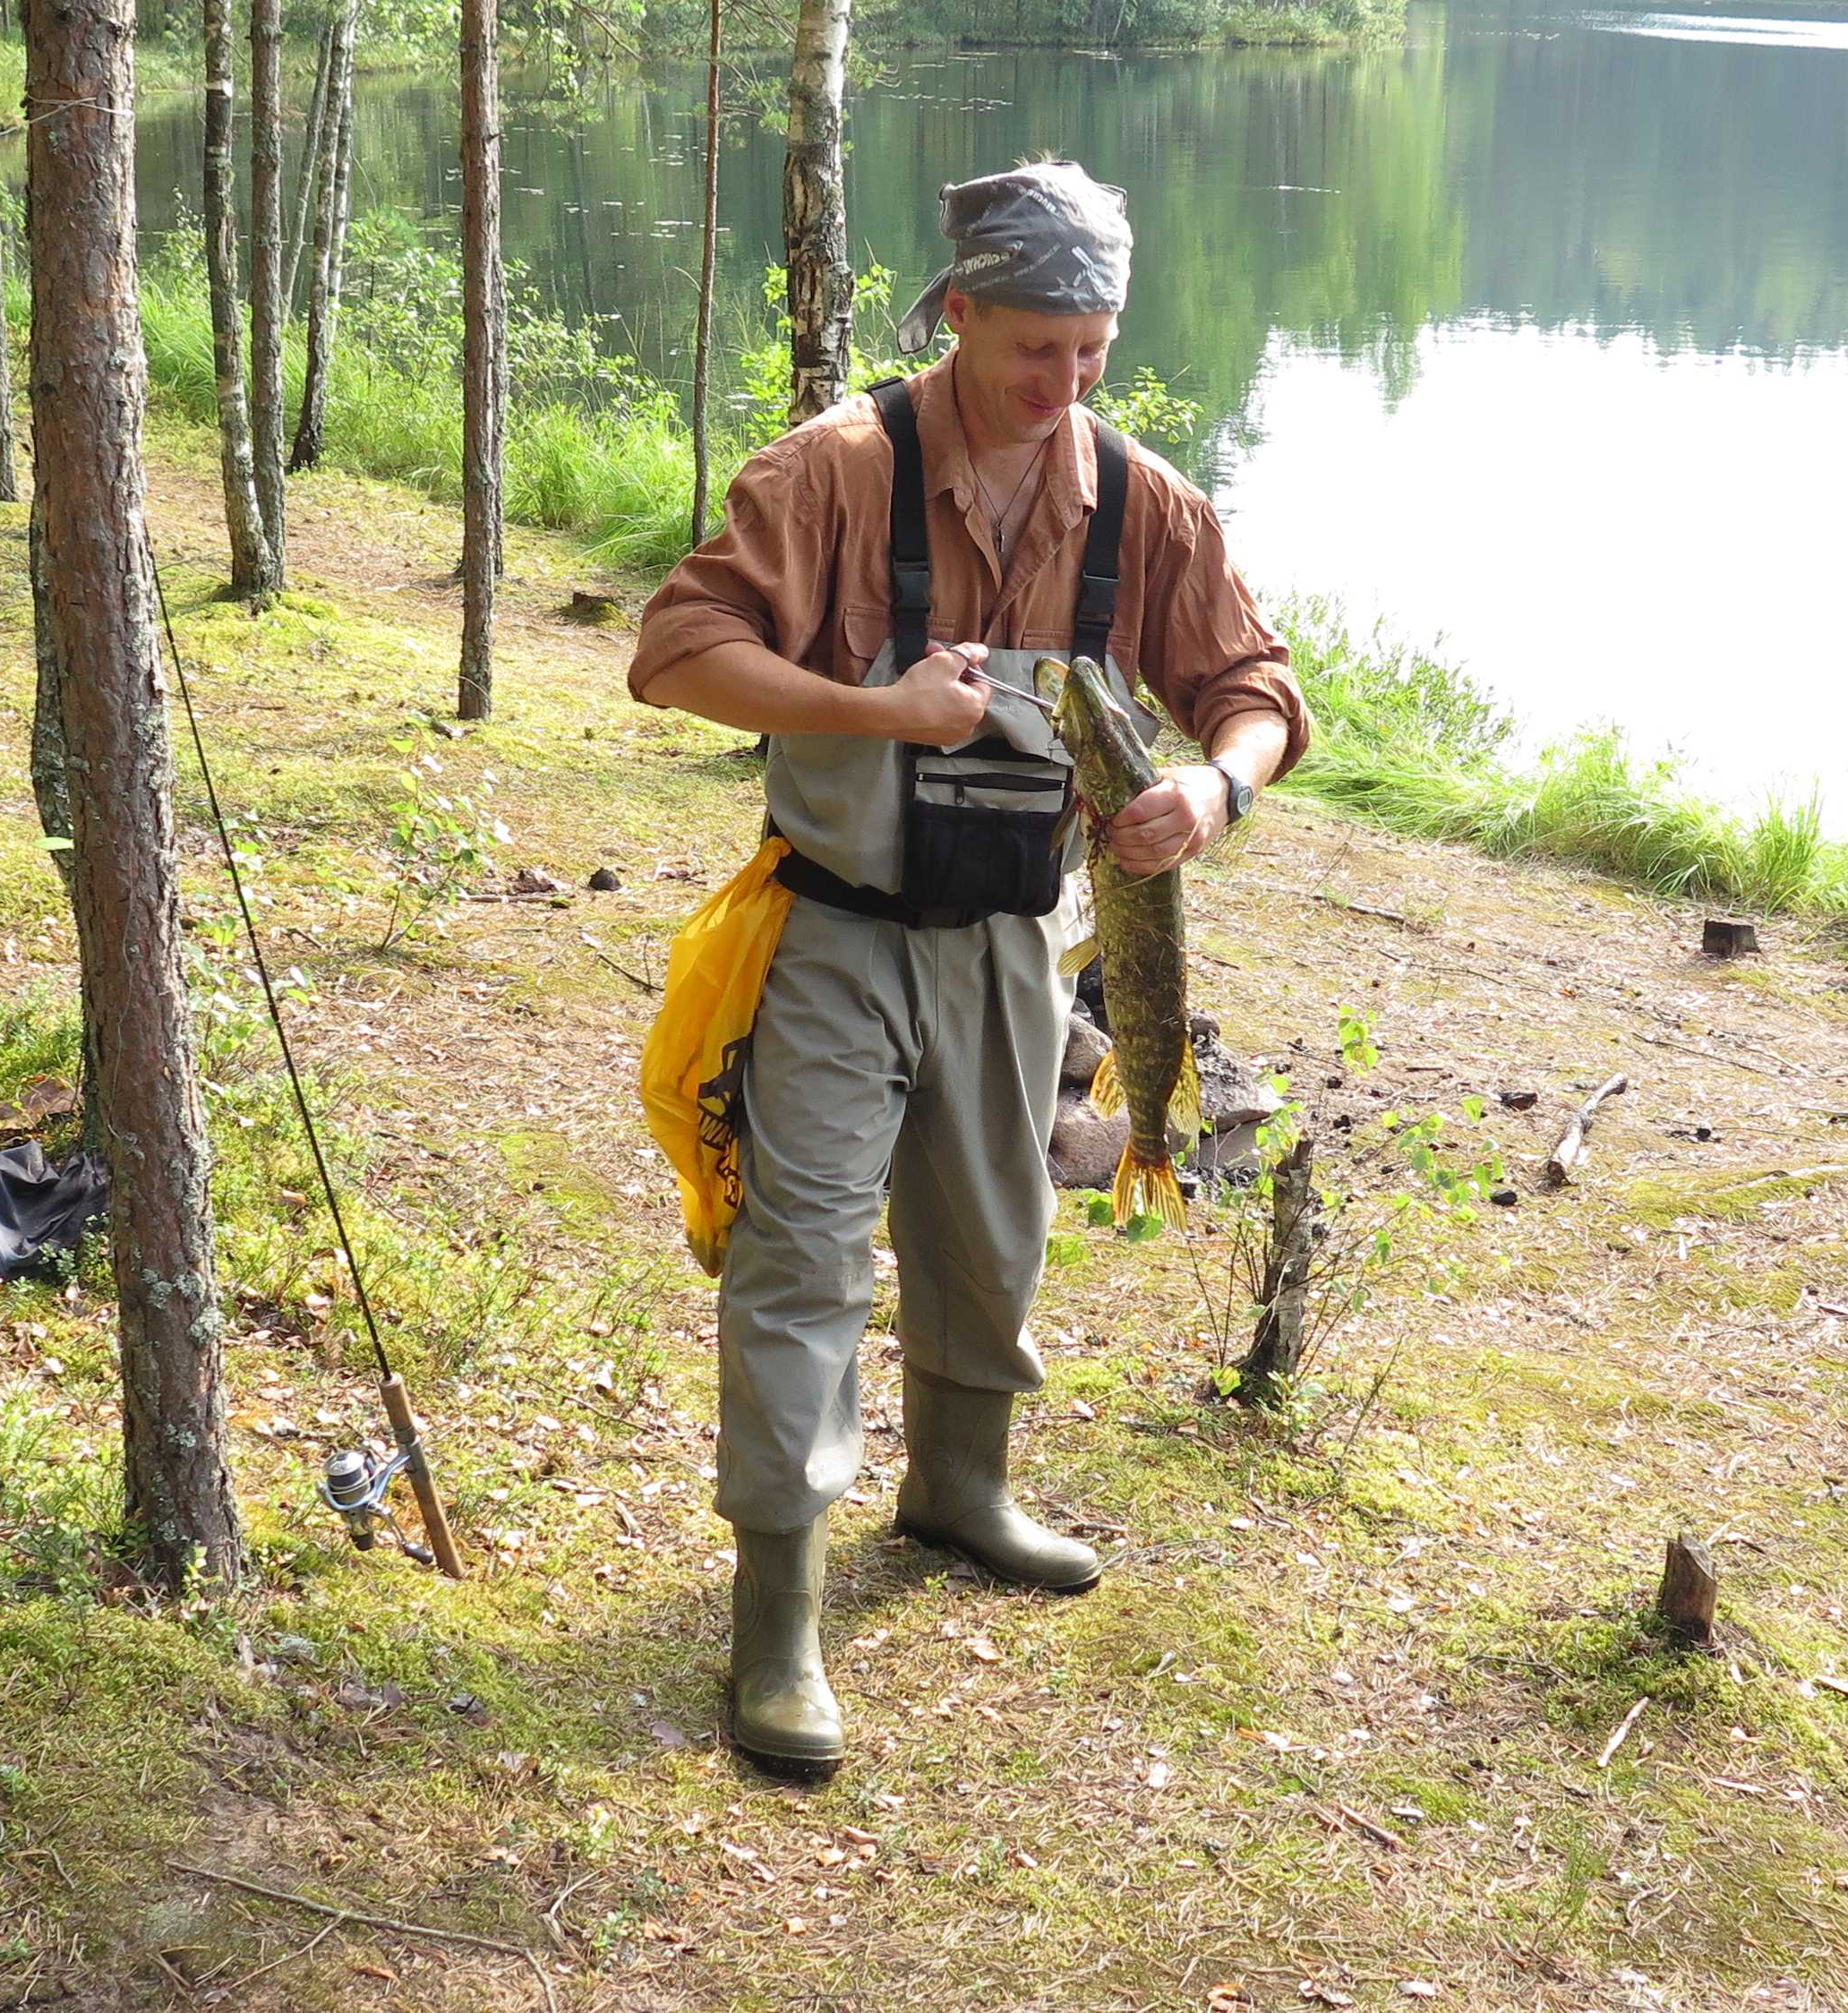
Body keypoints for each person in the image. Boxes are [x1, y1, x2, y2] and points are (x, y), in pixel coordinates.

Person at [630, 160, 1311, 1777]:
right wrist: (877, 710)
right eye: (1034, 350)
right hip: (838, 934)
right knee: (804, 1258)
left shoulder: (1141, 503)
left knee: (995, 1235)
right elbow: (672, 654)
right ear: (959, 317)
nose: (1063, 385)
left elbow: (1256, 685)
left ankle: (960, 1489)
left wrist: (1213, 786)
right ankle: (777, 1617)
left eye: (1092, 351)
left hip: (1017, 946)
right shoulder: (840, 469)